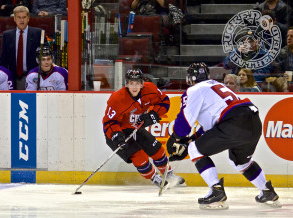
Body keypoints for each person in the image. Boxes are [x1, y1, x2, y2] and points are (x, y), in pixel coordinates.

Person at [166, 62, 281, 209]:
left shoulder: (194, 90)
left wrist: (175, 138)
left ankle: (216, 191)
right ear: (207, 76)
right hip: (252, 120)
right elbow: (210, 128)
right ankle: (267, 192)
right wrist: (189, 140)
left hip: (234, 122)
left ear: (190, 79)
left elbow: (184, 123)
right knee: (240, 161)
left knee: (195, 149)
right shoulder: (215, 86)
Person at [102, 69, 185, 189]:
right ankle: (155, 178)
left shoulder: (150, 89)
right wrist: (117, 136)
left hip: (135, 128)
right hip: (116, 132)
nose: (134, 86)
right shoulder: (117, 99)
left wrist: (154, 114)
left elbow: (164, 101)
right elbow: (109, 121)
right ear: (126, 84)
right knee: (139, 156)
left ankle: (169, 174)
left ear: (142, 83)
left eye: (137, 83)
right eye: (131, 83)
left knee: (157, 149)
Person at [0, 6, 45, 90]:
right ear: (14, 19)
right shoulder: (7, 35)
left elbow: (44, 56)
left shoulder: (38, 33)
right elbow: (4, 59)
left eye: (24, 17)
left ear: (28, 18)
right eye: (19, 17)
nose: (22, 20)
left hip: (33, 76)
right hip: (13, 77)